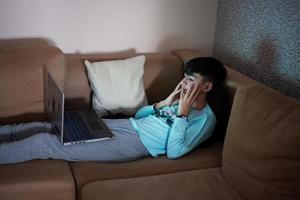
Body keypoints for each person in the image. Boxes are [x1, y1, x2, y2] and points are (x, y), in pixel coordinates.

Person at [0, 57, 228, 165]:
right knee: (49, 126)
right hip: (127, 125)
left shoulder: (205, 120)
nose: (184, 84)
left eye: (190, 79)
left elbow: (175, 152)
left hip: (136, 144)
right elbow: (139, 116)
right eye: (185, 78)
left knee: (45, 142)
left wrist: (182, 114)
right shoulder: (178, 101)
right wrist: (165, 102)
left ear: (207, 86)